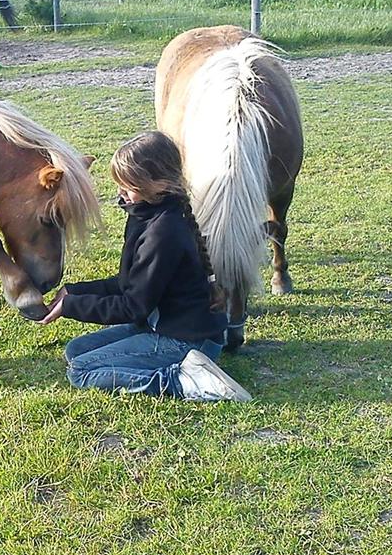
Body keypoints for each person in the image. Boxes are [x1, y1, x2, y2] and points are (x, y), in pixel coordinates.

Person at [37, 131, 251, 401]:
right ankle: (176, 366)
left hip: (187, 339)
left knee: (81, 370)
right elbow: (130, 283)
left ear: (158, 183)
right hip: (161, 326)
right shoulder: (146, 214)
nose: (120, 192)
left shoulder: (163, 232)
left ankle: (184, 380)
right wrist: (74, 292)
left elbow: (133, 306)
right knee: (76, 351)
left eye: (128, 185)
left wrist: (70, 307)